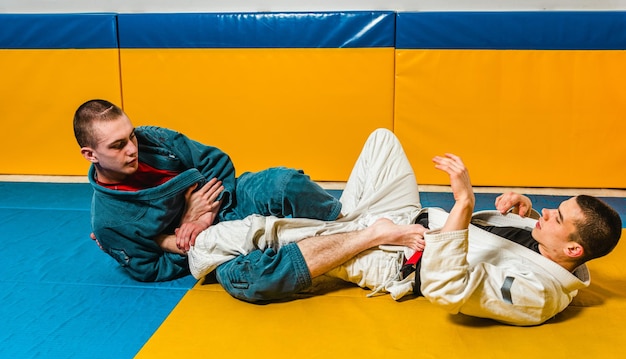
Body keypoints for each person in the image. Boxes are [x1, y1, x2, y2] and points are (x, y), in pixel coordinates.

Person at [186, 128, 622, 326]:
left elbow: (447, 287)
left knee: (232, 237)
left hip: (399, 257)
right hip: (411, 216)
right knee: (382, 141)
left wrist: (465, 204)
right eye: (553, 209)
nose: (547, 213)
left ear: (573, 251)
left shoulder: (537, 296)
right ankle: (348, 220)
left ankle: (353, 232)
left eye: (556, 218)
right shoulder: (550, 247)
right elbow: (507, 243)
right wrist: (522, 215)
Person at [73, 99, 343, 282]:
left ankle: (343, 221)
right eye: (118, 145)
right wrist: (181, 232)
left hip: (225, 202)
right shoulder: (109, 222)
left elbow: (215, 162)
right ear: (90, 154)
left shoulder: (153, 138)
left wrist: (203, 215)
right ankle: (338, 247)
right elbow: (151, 268)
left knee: (284, 183)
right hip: (198, 246)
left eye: (131, 135)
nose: (132, 148)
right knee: (253, 279)